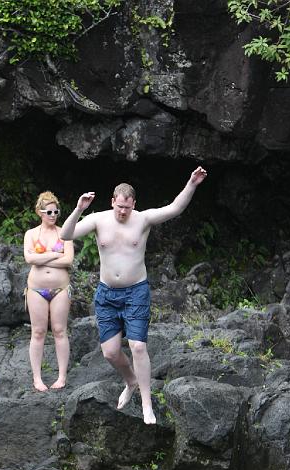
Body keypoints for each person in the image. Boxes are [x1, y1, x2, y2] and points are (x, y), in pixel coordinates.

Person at [60, 168, 208, 424]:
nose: (123, 212)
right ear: (112, 202)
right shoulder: (98, 220)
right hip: (107, 294)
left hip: (135, 292)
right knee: (110, 353)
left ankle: (146, 406)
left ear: (134, 205)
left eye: (127, 208)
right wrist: (79, 209)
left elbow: (174, 208)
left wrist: (192, 183)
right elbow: (65, 234)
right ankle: (130, 381)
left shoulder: (143, 219)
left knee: (138, 346)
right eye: (119, 207)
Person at [24, 191, 74, 391]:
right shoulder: (31, 234)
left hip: (60, 288)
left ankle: (61, 376)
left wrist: (43, 256)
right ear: (39, 212)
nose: (53, 215)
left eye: (56, 211)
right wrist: (55, 254)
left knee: (60, 330)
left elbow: (68, 260)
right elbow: (29, 259)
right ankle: (37, 378)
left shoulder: (65, 233)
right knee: (38, 331)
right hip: (36, 289)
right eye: (49, 211)